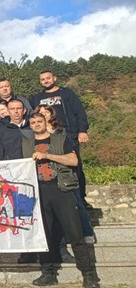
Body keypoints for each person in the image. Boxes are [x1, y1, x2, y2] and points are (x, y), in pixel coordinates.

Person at [23, 113, 100, 288]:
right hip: (39, 193)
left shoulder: (61, 139)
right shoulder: (25, 145)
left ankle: (88, 275)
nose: (36, 124)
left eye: (39, 121)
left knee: (76, 233)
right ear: (30, 125)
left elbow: (73, 160)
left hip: (62, 190)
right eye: (33, 122)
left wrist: (48, 156)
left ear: (46, 123)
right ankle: (48, 273)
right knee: (44, 235)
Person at [30, 70, 91, 208]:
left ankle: (80, 198)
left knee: (75, 166)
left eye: (48, 78)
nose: (46, 81)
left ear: (54, 78)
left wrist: (82, 130)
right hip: (47, 135)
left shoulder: (66, 93)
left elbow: (79, 112)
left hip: (68, 133)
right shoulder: (37, 97)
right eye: (43, 79)